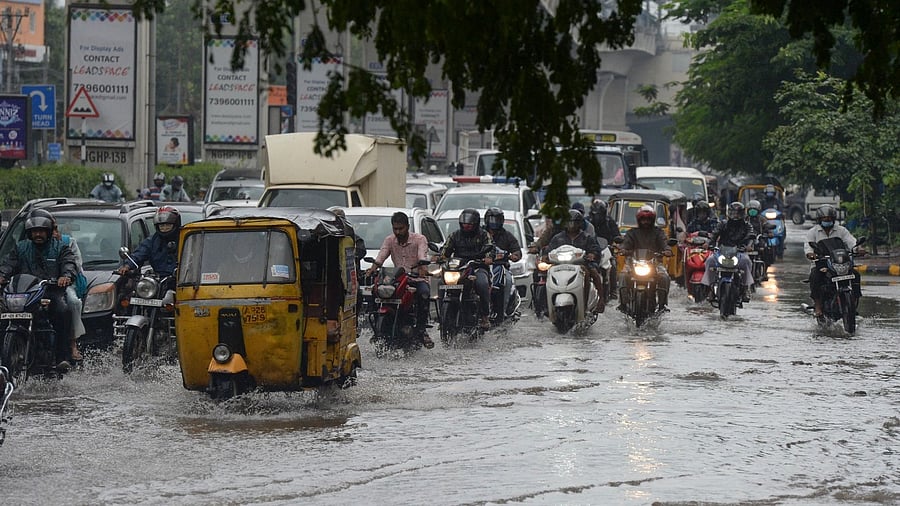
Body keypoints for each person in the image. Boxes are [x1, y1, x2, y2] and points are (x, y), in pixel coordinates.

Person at [0, 211, 78, 368]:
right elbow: (8, 264)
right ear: (29, 233)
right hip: (23, 293)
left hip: (50, 292)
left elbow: (69, 264)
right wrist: (2, 275)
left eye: (41, 231)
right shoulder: (21, 248)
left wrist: (65, 276)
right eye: (35, 231)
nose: (38, 234)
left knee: (62, 310)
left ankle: (62, 356)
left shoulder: (60, 248)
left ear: (48, 231)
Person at [366, 212, 434, 348]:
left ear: (407, 227)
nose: (398, 232)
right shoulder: (389, 240)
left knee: (424, 293)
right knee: (374, 292)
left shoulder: (419, 239)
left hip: (417, 278)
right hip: (397, 279)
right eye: (395, 229)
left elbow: (422, 254)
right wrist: (373, 268)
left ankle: (421, 330)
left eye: (400, 228)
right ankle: (376, 330)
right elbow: (381, 256)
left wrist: (421, 266)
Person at [37, 210, 87, 362]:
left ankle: (72, 344)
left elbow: (74, 265)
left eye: (55, 229)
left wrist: (65, 277)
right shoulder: (27, 246)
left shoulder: (66, 243)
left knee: (72, 302)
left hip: (63, 286)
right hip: (36, 286)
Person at [437, 208, 494, 330]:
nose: (466, 227)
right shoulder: (454, 235)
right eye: (464, 224)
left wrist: (488, 258)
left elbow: (490, 249)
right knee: (441, 283)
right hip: (458, 268)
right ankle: (442, 317)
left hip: (478, 267)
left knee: (482, 283)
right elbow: (445, 250)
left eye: (469, 225)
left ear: (476, 224)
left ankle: (485, 316)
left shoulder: (484, 235)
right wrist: (440, 257)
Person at [803, 204, 860, 322]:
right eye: (824, 219)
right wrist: (810, 254)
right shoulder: (813, 232)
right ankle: (818, 305)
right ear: (819, 220)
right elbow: (808, 246)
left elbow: (852, 242)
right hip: (821, 264)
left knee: (856, 275)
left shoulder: (841, 230)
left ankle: (854, 302)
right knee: (815, 276)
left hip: (840, 263)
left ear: (833, 219)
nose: (827, 220)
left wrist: (858, 249)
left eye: (829, 218)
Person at [547, 209, 606, 313]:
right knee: (546, 274)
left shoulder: (587, 237)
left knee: (592, 273)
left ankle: (598, 301)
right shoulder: (558, 238)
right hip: (560, 266)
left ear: (579, 223)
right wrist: (544, 255)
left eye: (573, 222)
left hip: (582, 265)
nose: (571, 225)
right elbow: (549, 249)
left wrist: (592, 254)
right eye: (568, 222)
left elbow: (595, 249)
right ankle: (546, 306)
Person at [616, 205, 672, 312]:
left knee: (664, 277)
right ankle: (623, 303)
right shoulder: (632, 233)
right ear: (639, 220)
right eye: (643, 219)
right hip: (633, 263)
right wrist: (623, 250)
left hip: (654, 263)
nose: (645, 222)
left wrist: (667, 250)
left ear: (652, 220)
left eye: (648, 219)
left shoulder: (658, 232)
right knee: (622, 275)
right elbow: (625, 244)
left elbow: (664, 243)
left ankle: (662, 305)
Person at [701, 201, 754, 302]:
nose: (735, 216)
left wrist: (749, 246)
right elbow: (714, 234)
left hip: (739, 252)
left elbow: (751, 236)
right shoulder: (723, 224)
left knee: (747, 261)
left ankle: (746, 288)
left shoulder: (747, 226)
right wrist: (708, 243)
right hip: (722, 252)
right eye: (733, 213)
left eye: (738, 213)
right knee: (710, 261)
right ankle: (710, 289)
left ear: (742, 214)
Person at [117, 206, 180, 278]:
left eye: (168, 225)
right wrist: (128, 265)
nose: (165, 228)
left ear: (175, 224)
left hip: (184, 280)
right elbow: (139, 253)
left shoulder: (184, 238)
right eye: (162, 225)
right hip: (159, 281)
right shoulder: (152, 241)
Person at [483, 207, 522, 320]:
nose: (494, 222)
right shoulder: (480, 233)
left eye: (497, 219)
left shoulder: (507, 235)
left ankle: (503, 310)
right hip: (482, 266)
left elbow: (516, 251)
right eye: (491, 219)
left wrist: (514, 256)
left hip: (501, 267)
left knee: (508, 281)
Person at [588, 198, 622, 299]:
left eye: (599, 213)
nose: (597, 216)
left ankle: (613, 291)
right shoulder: (587, 222)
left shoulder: (609, 222)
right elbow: (583, 234)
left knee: (613, 265)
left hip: (606, 249)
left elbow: (617, 234)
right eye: (595, 214)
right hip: (591, 249)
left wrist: (616, 243)